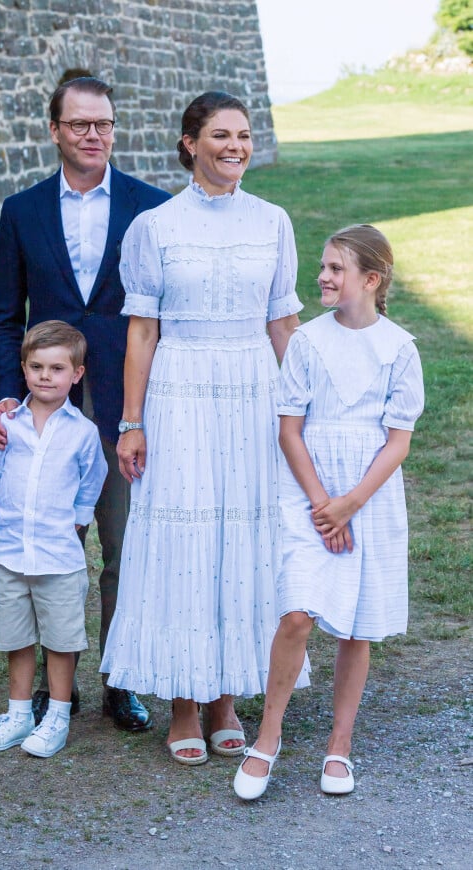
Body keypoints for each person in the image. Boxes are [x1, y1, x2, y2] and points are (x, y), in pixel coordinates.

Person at [100, 91, 310, 766]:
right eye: (222, 135)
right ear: (190, 143)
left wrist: (303, 408)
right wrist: (132, 421)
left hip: (253, 387)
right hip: (181, 388)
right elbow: (141, 331)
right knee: (184, 535)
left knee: (244, 535)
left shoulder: (273, 221)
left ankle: (228, 697)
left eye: (244, 136)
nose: (237, 147)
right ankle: (185, 702)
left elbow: (284, 323)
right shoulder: (155, 226)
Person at [0, 75, 170, 731]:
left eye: (105, 124)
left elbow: (165, 315)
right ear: (56, 129)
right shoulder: (23, 210)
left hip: (128, 402)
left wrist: (148, 410)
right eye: (81, 124)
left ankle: (120, 678)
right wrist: (9, 395)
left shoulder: (152, 208)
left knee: (123, 545)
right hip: (48, 408)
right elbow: (5, 316)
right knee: (50, 542)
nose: (95, 135)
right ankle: (45, 684)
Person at [233, 224, 425, 799]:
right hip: (308, 492)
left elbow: (398, 441)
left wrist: (350, 505)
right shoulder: (308, 343)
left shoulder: (399, 349)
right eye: (322, 266)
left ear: (371, 279)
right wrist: (323, 506)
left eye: (337, 269)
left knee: (357, 625)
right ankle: (266, 739)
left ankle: (338, 746)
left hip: (367, 496)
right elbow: (289, 430)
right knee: (298, 613)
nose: (322, 276)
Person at [0, 321, 108, 757]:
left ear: (77, 374)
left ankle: (56, 715)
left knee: (60, 640)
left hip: (58, 557)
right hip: (11, 551)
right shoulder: (9, 424)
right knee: (16, 638)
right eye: (36, 367)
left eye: (56, 368)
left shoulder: (82, 432)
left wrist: (78, 519)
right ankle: (18, 715)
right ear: (24, 368)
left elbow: (92, 479)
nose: (45, 376)